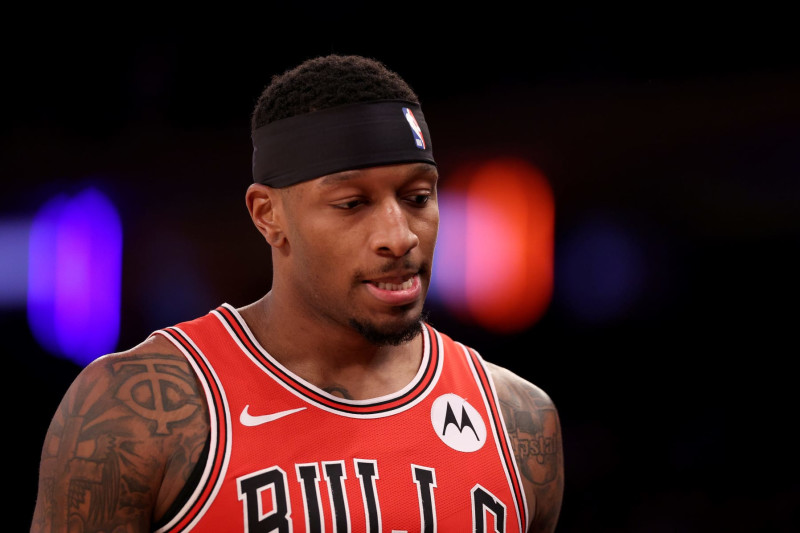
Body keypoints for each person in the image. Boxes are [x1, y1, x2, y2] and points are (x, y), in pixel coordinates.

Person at [30, 54, 564, 532]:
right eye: (352, 204)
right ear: (268, 216)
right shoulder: (134, 412)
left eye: (418, 197)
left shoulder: (517, 420)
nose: (399, 236)